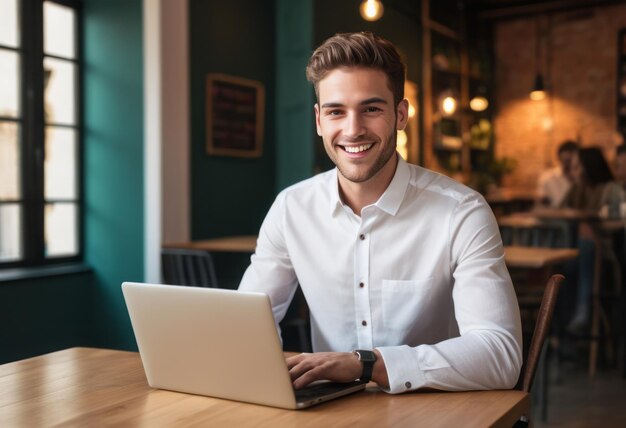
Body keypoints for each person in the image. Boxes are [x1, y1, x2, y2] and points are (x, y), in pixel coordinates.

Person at [239, 32, 522, 394]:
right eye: (336, 111)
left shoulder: (461, 212)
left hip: (436, 411)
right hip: (331, 414)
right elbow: (249, 320)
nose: (353, 129)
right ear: (319, 120)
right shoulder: (291, 208)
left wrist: (366, 364)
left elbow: (501, 356)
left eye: (371, 109)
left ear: (400, 115)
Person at [560, 147, 614, 332]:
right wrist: (577, 215)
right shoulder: (577, 189)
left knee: (583, 245)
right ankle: (564, 322)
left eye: (577, 167)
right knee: (564, 265)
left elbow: (616, 220)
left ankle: (581, 312)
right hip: (577, 250)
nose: (573, 171)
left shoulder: (609, 190)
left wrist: (585, 219)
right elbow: (558, 211)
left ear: (588, 167)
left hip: (606, 254)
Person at [536, 140, 579, 208]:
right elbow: (542, 201)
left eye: (570, 160)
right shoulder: (548, 177)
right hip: (554, 215)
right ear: (559, 158)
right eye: (565, 161)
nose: (569, 165)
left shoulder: (582, 177)